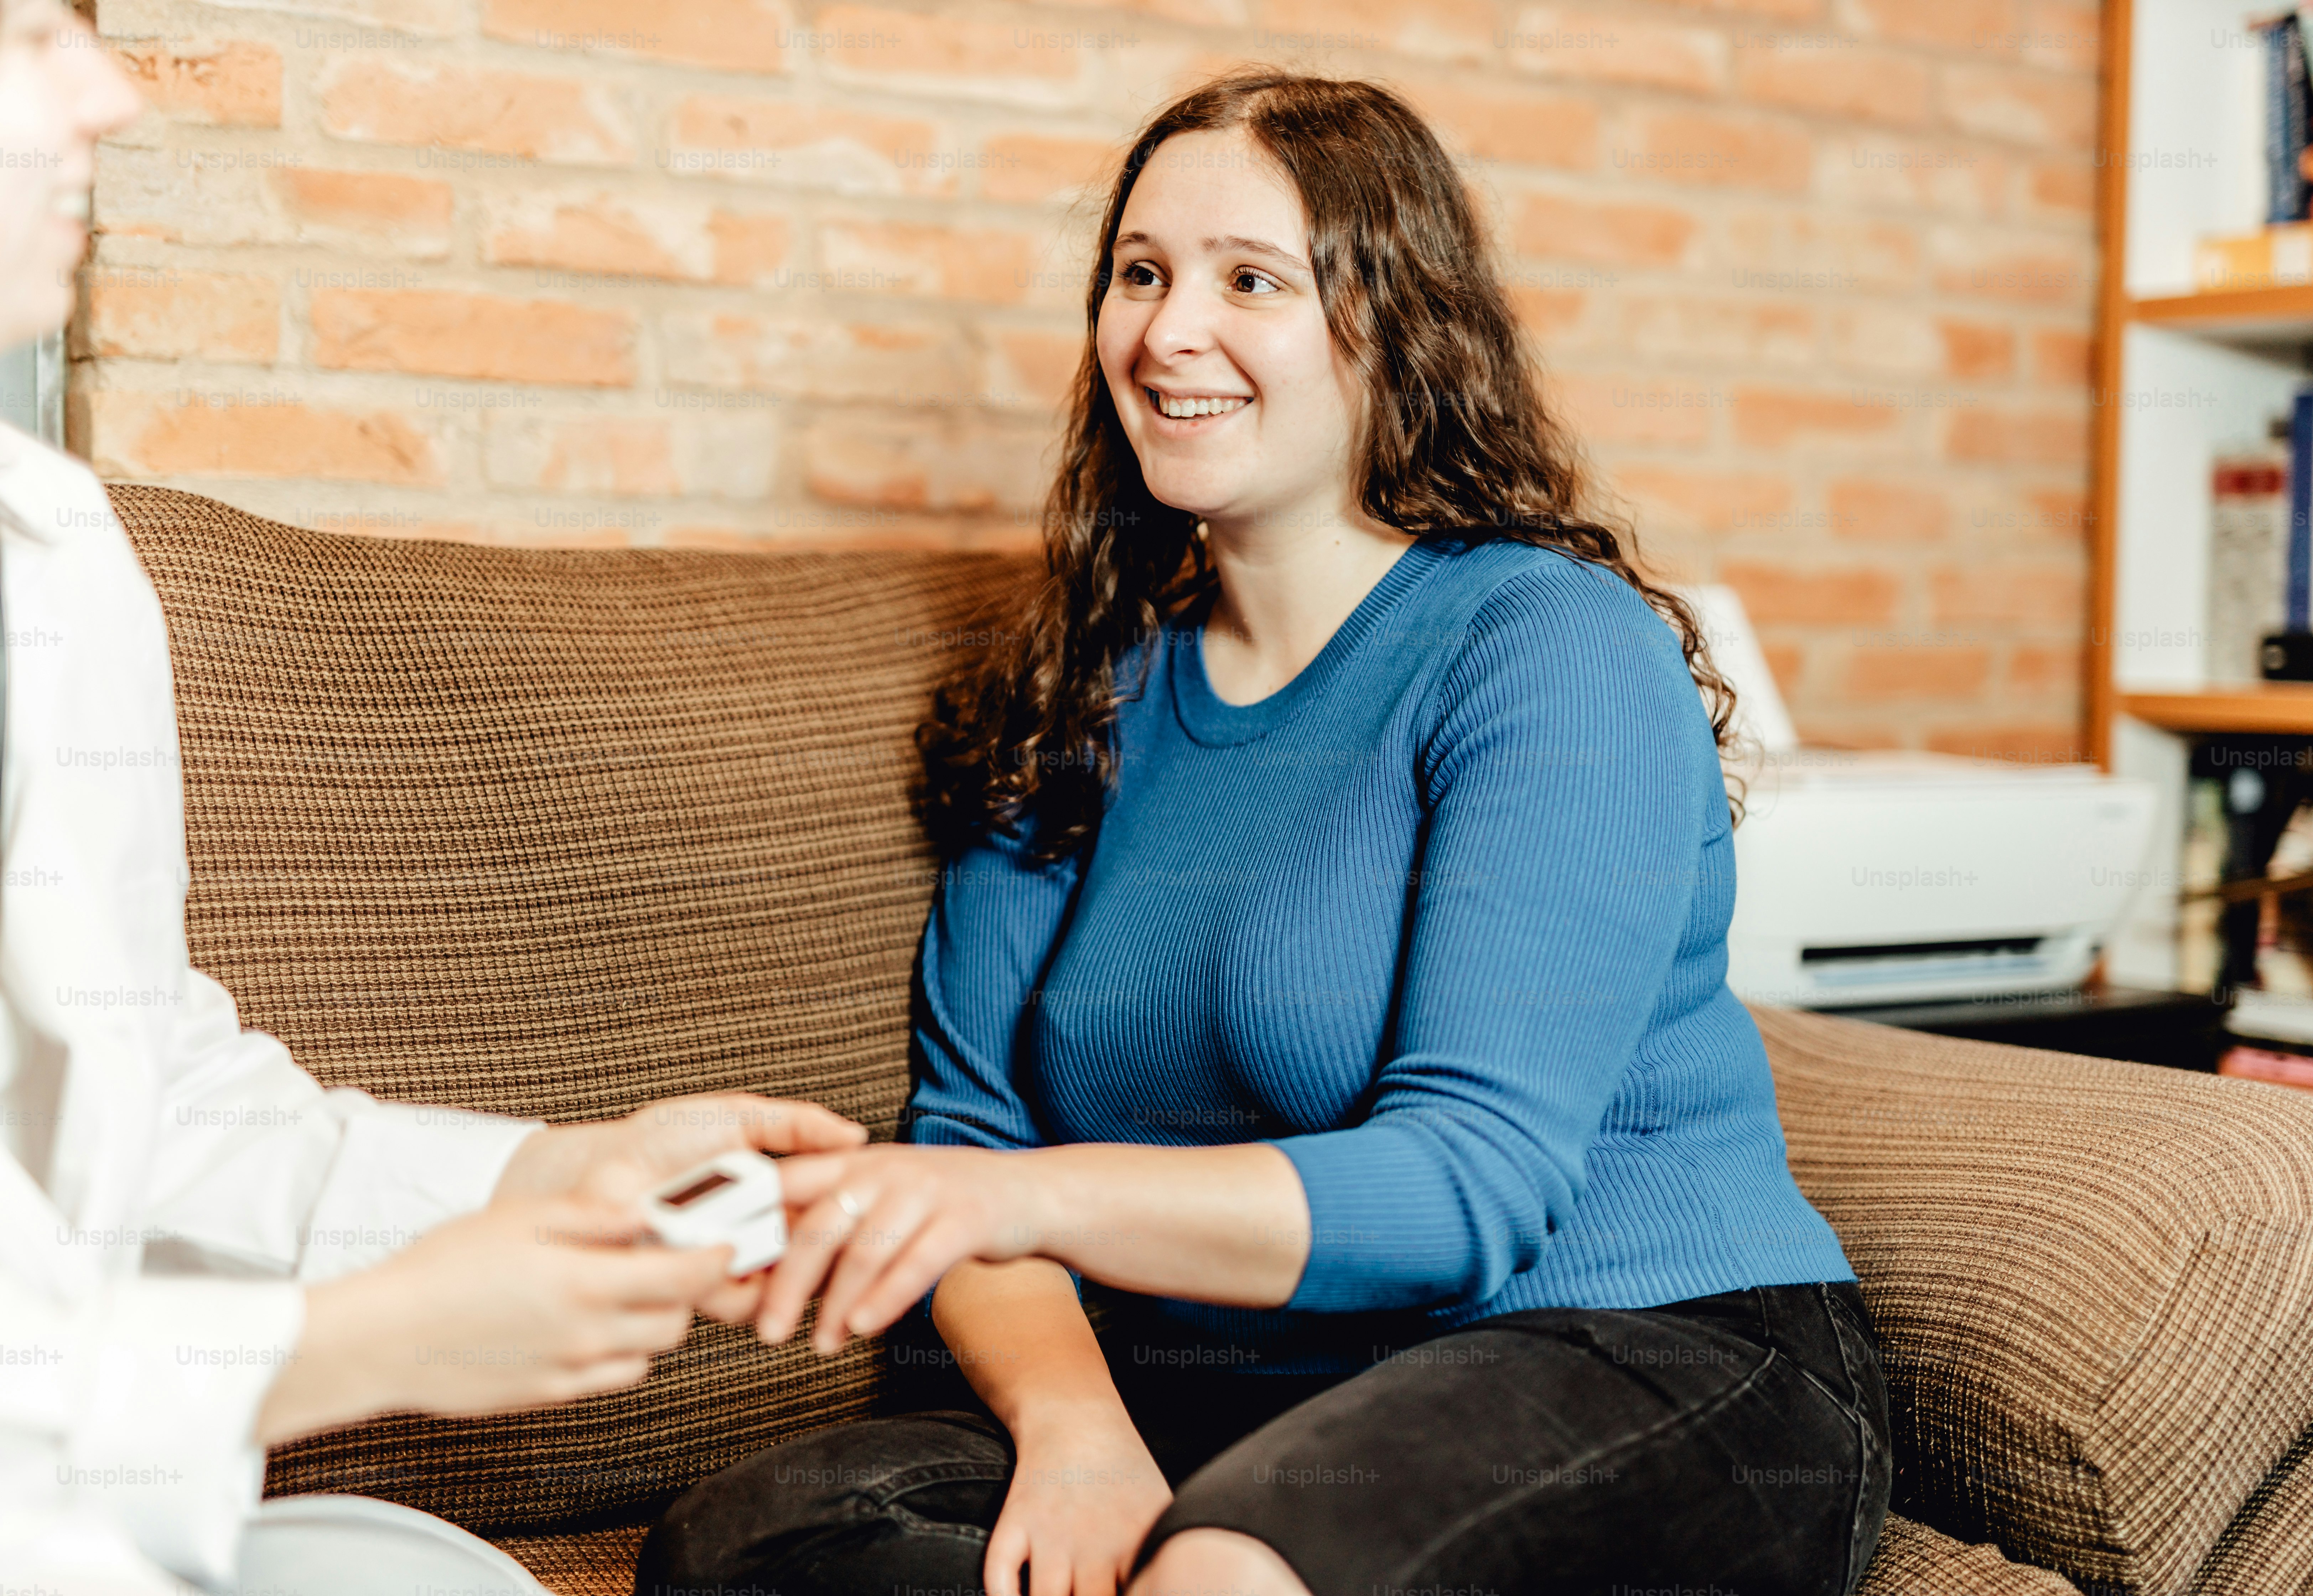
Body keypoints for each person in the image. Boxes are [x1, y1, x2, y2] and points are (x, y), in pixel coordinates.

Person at [644, 69, 1892, 1596]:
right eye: (1142, 273)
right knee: (751, 1547)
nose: (1170, 332)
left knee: (1230, 1569)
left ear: (1398, 327)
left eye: (1253, 281)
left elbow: (1462, 1190)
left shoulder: (1542, 645)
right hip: (1247, 1391)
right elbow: (974, 1136)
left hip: (1635, 1350)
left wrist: (1019, 1199)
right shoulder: (1077, 689)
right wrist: (1078, 1427)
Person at [0, 5, 867, 1592]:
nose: (112, 89)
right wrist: (364, 1339)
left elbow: (150, 1095)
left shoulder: (51, 550)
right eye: (29, 34)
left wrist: (538, 1175)